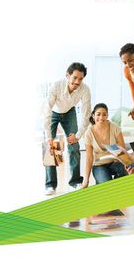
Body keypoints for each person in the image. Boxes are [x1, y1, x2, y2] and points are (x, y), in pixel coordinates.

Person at [43, 62, 91, 195]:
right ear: (67, 75)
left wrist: (78, 135)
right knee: (51, 147)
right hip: (53, 112)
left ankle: (75, 181)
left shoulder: (85, 89)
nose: (77, 82)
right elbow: (46, 111)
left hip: (69, 112)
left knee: (74, 146)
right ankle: (50, 184)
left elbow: (86, 114)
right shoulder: (56, 86)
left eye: (80, 79)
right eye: (74, 78)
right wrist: (48, 136)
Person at [81, 103, 129, 187]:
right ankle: (102, 183)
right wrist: (86, 180)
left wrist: (121, 159)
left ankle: (116, 187)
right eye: (98, 114)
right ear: (93, 116)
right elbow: (89, 158)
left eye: (104, 114)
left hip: (114, 163)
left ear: (107, 116)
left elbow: (123, 149)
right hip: (99, 165)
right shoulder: (88, 133)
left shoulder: (115, 127)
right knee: (107, 184)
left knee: (124, 170)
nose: (101, 117)